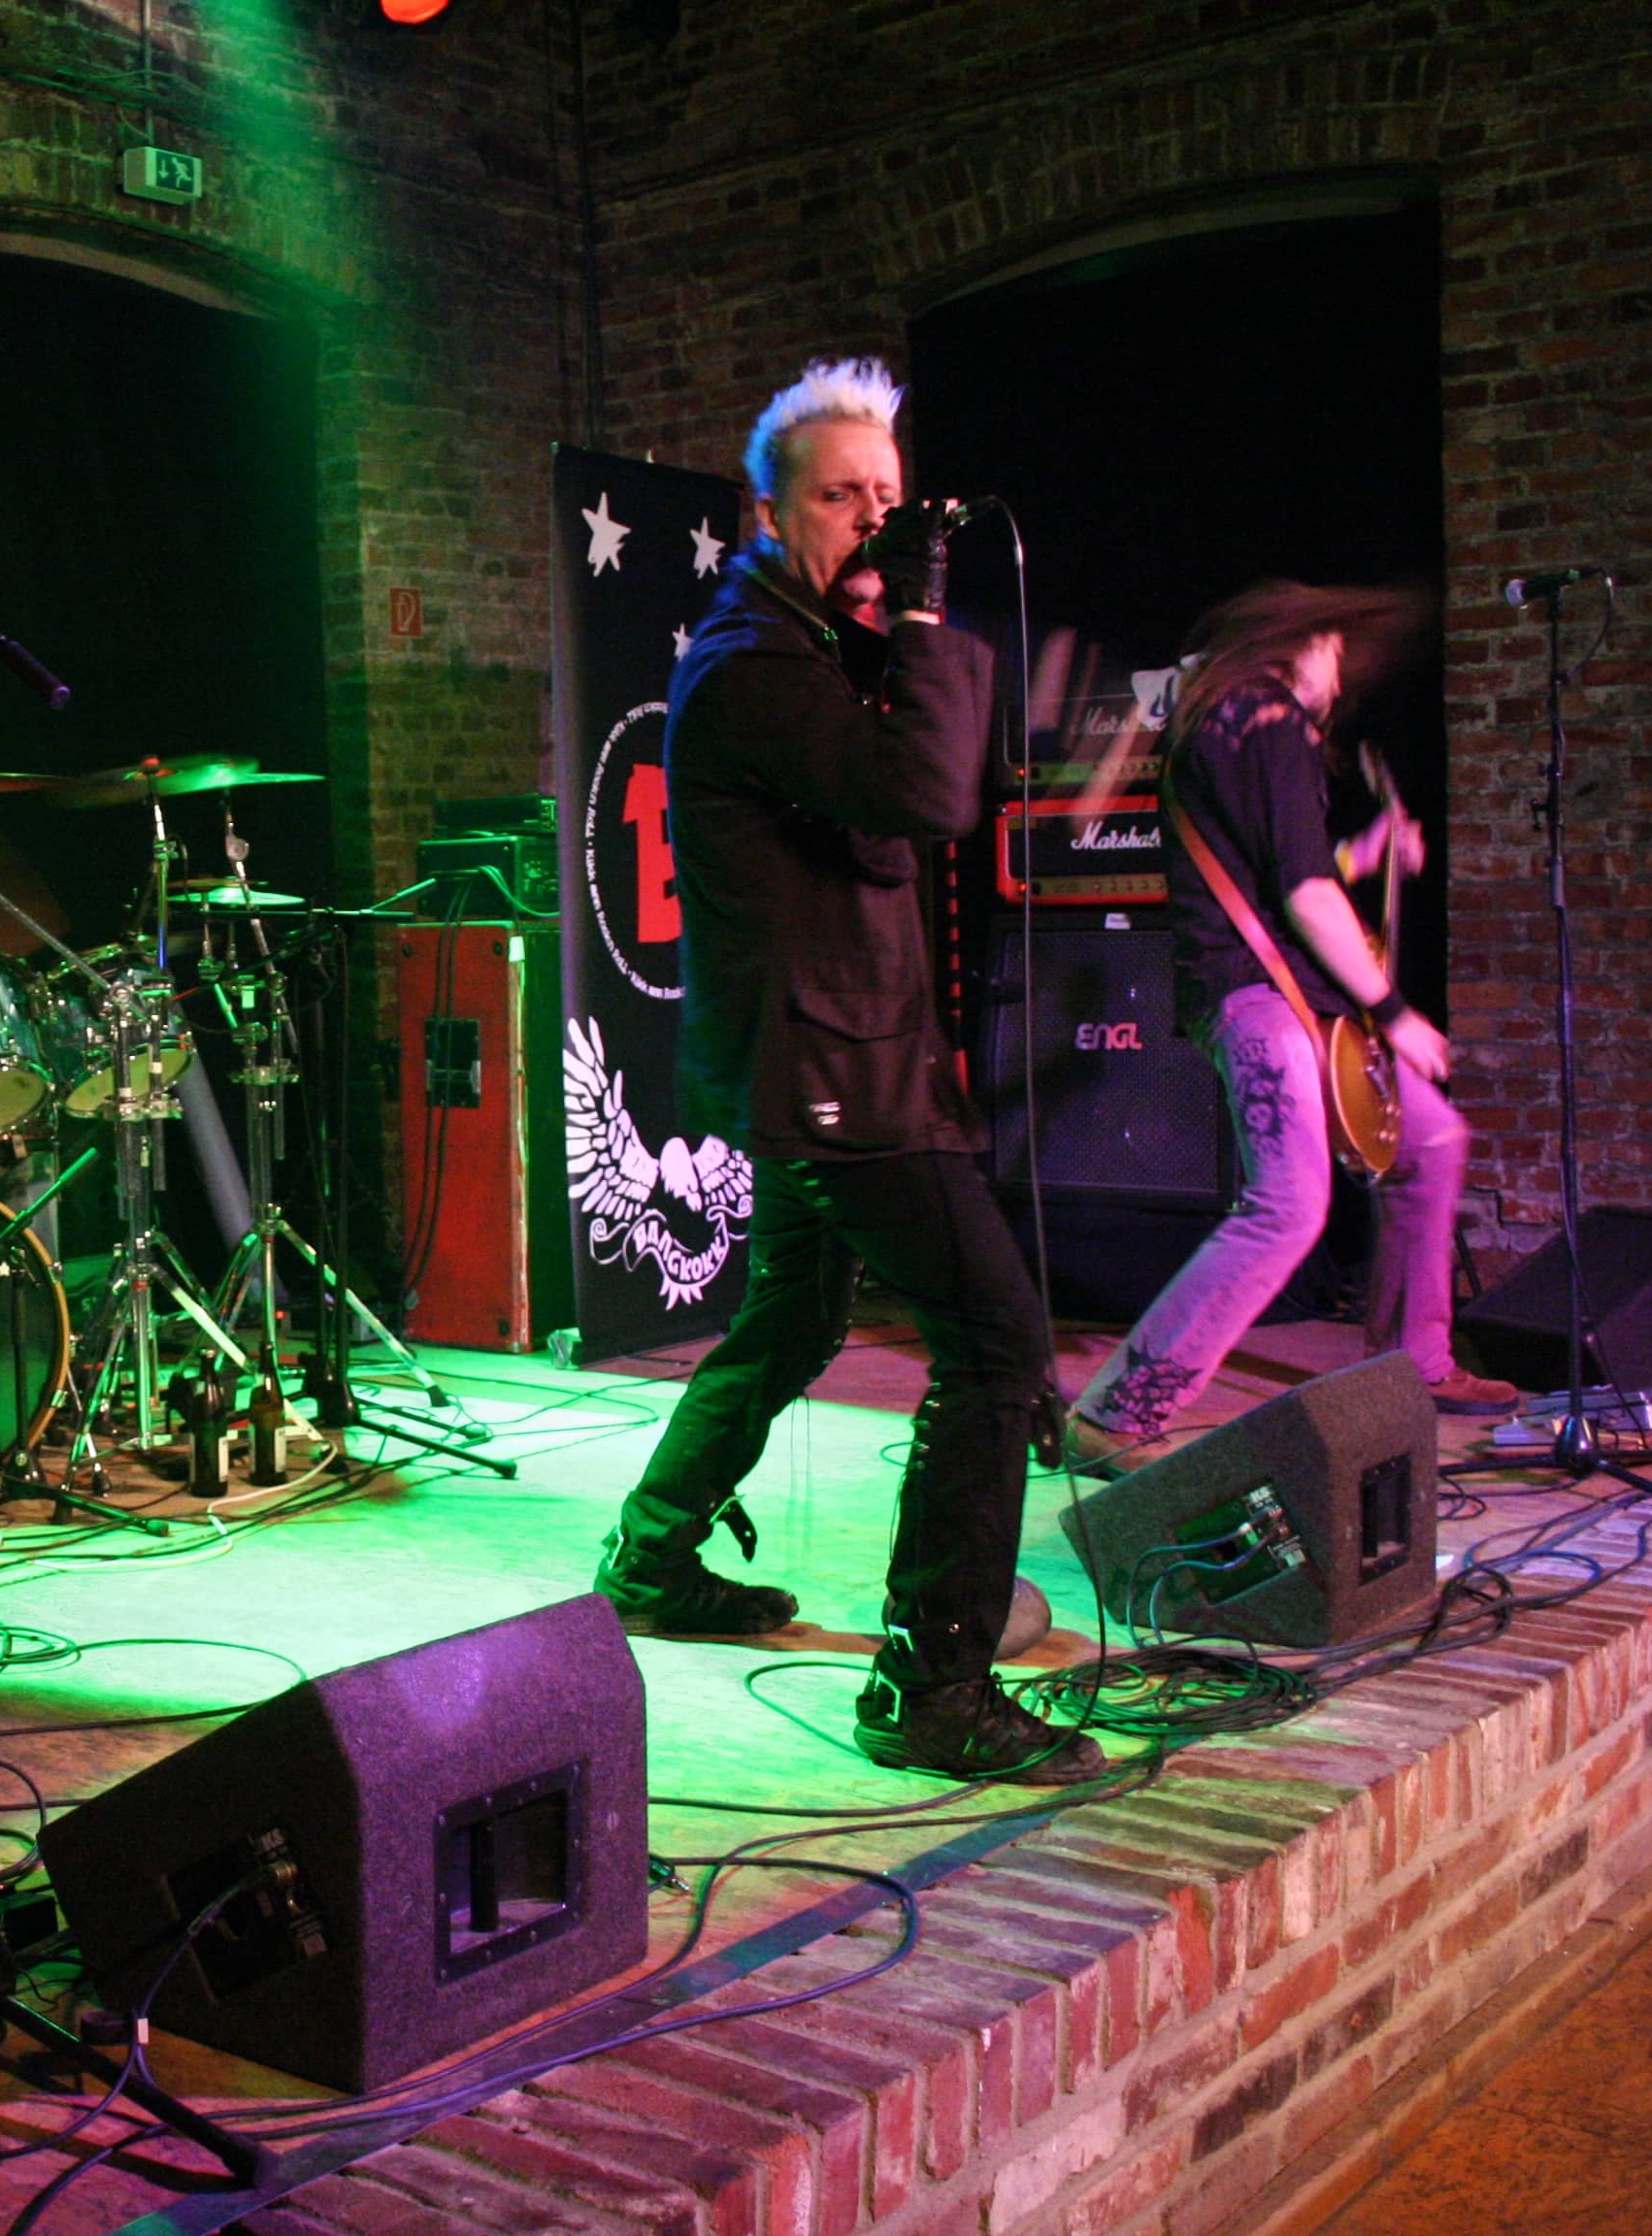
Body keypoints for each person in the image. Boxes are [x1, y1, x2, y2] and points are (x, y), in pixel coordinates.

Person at [588, 357, 1105, 1786]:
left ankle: (651, 1558)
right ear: (771, 514)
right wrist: (920, 614)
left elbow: (947, 780)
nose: (878, 520)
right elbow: (920, 794)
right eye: (844, 498)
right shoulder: (753, 664)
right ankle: (931, 1688)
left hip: (835, 1055)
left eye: (890, 494)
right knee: (997, 1342)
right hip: (834, 1071)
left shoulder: (816, 646)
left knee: (793, 1318)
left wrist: (903, 624)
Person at [1062, 584, 1516, 1471]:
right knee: (1290, 1203)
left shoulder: (1229, 720)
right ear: (1304, 642)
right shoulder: (1266, 717)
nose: (1338, 682)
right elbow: (1304, 895)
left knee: (1431, 1141)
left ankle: (1414, 1362)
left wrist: (1361, 856)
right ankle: (1115, 1412)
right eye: (1336, 657)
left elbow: (1281, 869)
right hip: (1257, 996)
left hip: (1293, 995)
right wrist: (1395, 1012)